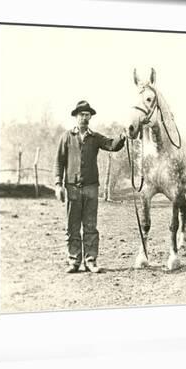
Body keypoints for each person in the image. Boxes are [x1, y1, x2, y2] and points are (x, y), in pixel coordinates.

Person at [54, 100, 126, 274]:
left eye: (87, 115)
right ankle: (73, 261)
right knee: (72, 227)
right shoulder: (66, 137)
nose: (84, 118)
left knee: (90, 226)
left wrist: (123, 137)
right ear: (76, 117)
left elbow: (111, 144)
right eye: (81, 115)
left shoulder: (95, 138)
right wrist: (58, 184)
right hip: (71, 187)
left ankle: (90, 260)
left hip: (91, 188)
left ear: (90, 117)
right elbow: (59, 162)